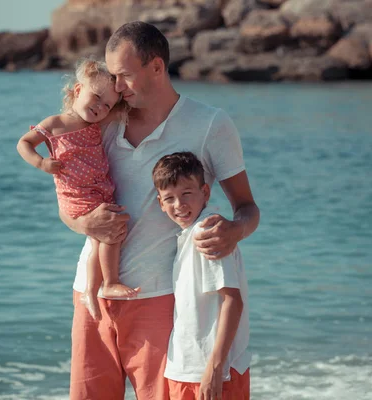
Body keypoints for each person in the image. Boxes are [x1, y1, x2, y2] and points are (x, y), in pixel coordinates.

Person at [58, 21, 260, 400]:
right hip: (92, 295)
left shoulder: (210, 124)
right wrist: (82, 221)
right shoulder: (103, 120)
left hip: (159, 299)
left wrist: (234, 231)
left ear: (156, 67)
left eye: (123, 76)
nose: (115, 87)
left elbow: (248, 208)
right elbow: (69, 203)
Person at [16, 58, 139, 321]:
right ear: (77, 90)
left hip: (98, 192)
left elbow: (132, 106)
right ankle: (106, 284)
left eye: (106, 104)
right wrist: (41, 162)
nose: (99, 107)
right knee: (108, 235)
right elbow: (24, 143)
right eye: (95, 97)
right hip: (76, 195)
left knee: (106, 236)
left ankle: (93, 291)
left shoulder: (96, 125)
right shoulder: (54, 123)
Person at [153, 152, 250, 400]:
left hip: (212, 373)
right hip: (185, 369)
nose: (179, 205)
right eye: (169, 198)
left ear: (205, 193)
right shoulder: (186, 236)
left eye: (187, 194)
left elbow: (232, 300)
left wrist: (214, 369)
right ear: (160, 204)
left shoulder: (208, 232)